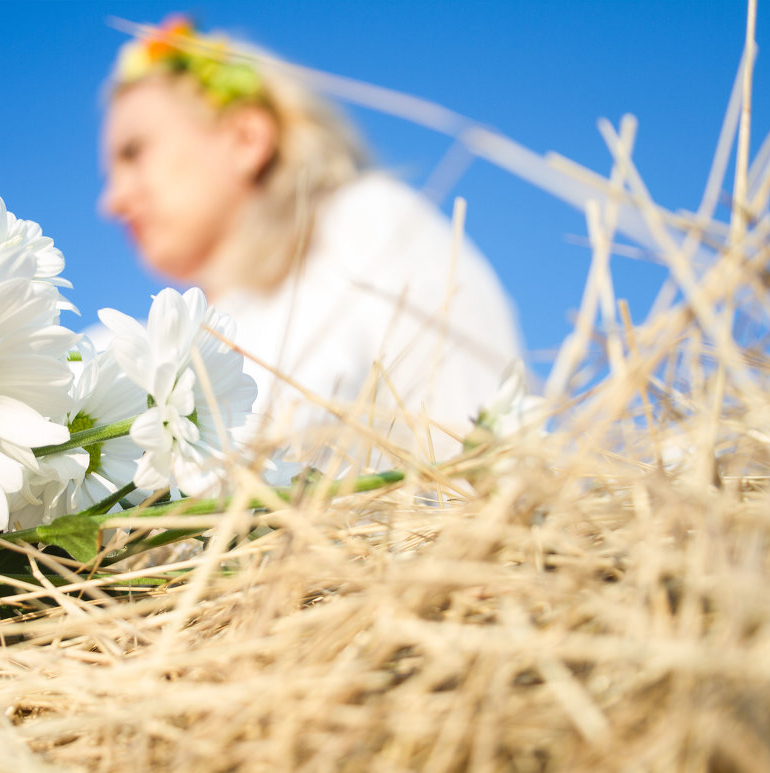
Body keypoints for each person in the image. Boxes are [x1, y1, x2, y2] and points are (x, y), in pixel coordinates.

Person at [99, 16, 523, 468]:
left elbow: (480, 455)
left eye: (133, 153)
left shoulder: (369, 227)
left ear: (246, 138)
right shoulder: (132, 343)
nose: (111, 201)